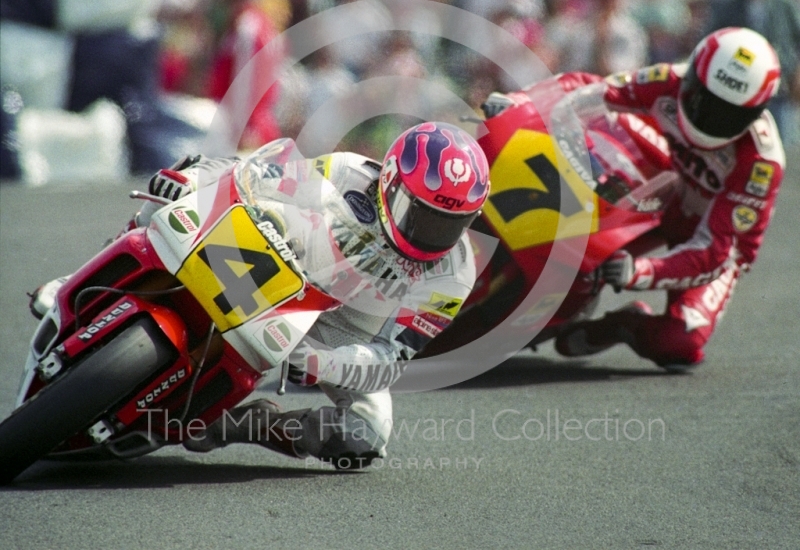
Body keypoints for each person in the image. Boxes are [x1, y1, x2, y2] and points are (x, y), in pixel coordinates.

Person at [31, 122, 490, 470]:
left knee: (368, 435)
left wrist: (320, 364)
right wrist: (194, 181)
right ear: (391, 182)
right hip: (292, 255)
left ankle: (238, 423)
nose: (436, 235)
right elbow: (258, 175)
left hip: (341, 330)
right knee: (174, 196)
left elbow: (391, 356)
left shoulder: (455, 274)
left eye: (453, 223)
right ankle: (73, 281)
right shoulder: (348, 172)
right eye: (423, 214)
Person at [554, 27, 784, 372]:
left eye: (728, 114)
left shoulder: (761, 162)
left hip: (709, 239)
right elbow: (593, 90)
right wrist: (524, 102)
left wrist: (640, 272)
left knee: (681, 340)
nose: (708, 117)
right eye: (701, 99)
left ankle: (624, 325)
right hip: (655, 196)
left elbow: (715, 252)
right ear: (692, 77)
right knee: (575, 264)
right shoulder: (668, 79)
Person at [705, 0, 800, 145]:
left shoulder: (786, 4)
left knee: (775, 145)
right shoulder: (730, 4)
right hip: (739, 89)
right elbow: (713, 39)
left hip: (777, 90)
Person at [207, 0, 283, 151]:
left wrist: (241, 128)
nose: (232, 1)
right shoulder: (258, 24)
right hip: (252, 121)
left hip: (249, 126)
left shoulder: (247, 28)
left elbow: (244, 83)